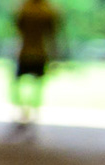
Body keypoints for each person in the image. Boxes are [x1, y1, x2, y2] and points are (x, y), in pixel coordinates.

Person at [12, 0, 63, 129]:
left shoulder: (23, 9)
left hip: (26, 52)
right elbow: (53, 36)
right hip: (39, 52)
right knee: (37, 86)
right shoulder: (48, 11)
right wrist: (55, 56)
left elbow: (17, 29)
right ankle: (31, 111)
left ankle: (24, 111)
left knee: (19, 84)